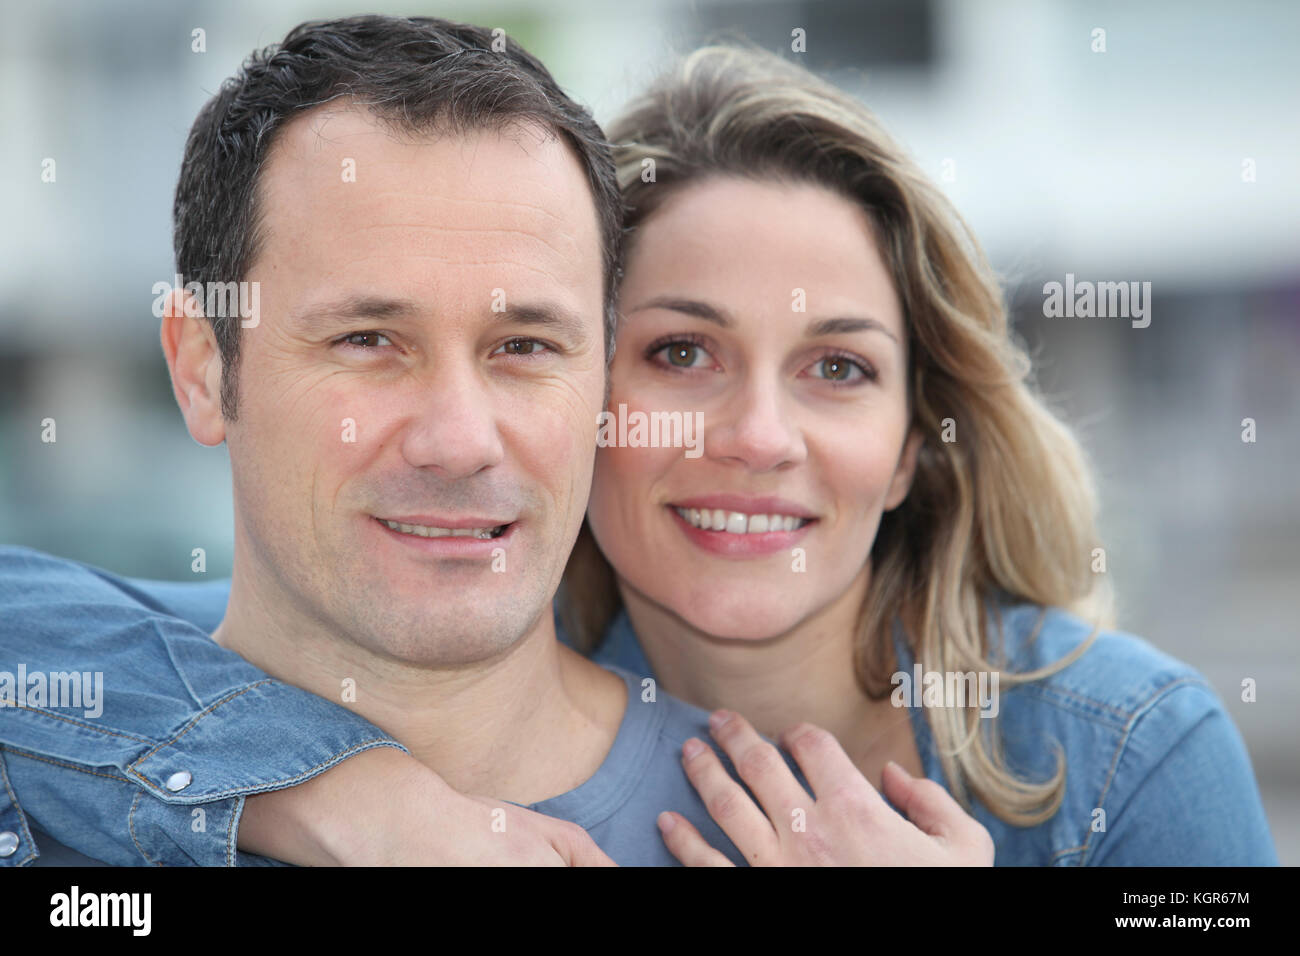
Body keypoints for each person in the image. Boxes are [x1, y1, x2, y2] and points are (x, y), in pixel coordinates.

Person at [3, 42, 1276, 867]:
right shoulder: (178, 704)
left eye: (838, 368)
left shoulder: (1123, 747)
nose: (756, 437)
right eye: (679, 354)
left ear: (909, 448)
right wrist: (320, 787)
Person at [0, 15, 811, 868]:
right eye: (367, 340)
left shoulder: (796, 838)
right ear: (202, 369)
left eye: (524, 347)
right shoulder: (39, 775)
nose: (458, 442)